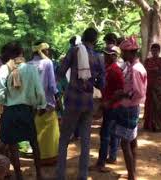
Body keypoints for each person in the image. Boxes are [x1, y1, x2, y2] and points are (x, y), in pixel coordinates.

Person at [56, 27, 105, 180]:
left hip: (72, 100)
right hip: (88, 102)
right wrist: (90, 82)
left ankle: (60, 176)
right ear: (95, 41)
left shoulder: (74, 51)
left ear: (83, 38)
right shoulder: (99, 57)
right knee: (85, 140)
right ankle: (82, 176)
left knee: (64, 139)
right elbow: (102, 83)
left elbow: (60, 72)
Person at [0, 43, 45, 180]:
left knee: (13, 146)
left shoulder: (4, 69)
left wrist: (9, 99)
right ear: (21, 53)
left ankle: (19, 176)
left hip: (10, 112)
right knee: (34, 143)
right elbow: (39, 92)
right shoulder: (31, 69)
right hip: (26, 111)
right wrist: (41, 105)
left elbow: (0, 95)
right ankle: (39, 174)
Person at [112, 36, 147, 180]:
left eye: (124, 52)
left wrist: (122, 94)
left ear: (131, 52)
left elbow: (138, 92)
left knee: (125, 143)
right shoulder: (132, 67)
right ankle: (132, 172)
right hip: (130, 108)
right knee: (132, 141)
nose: (122, 55)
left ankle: (132, 176)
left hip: (129, 108)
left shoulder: (136, 69)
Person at [90, 45, 124, 172]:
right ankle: (112, 156)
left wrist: (109, 102)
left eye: (107, 54)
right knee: (113, 133)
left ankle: (101, 163)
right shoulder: (108, 68)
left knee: (105, 134)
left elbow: (121, 90)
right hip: (109, 105)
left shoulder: (115, 70)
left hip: (112, 107)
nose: (104, 56)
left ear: (114, 56)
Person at [28, 42, 60, 165]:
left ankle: (39, 157)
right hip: (47, 104)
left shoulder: (28, 64)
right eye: (47, 50)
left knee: (38, 130)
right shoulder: (47, 63)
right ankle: (51, 158)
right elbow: (52, 85)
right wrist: (57, 99)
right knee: (51, 131)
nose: (49, 52)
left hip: (34, 105)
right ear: (43, 51)